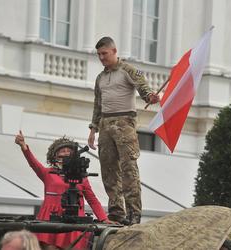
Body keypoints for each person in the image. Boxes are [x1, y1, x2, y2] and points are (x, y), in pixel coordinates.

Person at [88, 37, 159, 225]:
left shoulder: (127, 69)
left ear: (114, 51)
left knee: (129, 169)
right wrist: (93, 129)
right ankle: (116, 212)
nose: (102, 57)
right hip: (105, 123)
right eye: (99, 55)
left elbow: (142, 86)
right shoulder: (100, 78)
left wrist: (149, 96)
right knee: (109, 170)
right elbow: (97, 104)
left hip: (125, 122)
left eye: (104, 53)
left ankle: (134, 213)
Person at [15, 131, 111, 250]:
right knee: (50, 248)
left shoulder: (82, 176)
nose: (66, 153)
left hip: (75, 220)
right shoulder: (48, 173)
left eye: (69, 150)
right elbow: (34, 164)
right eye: (62, 150)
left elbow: (92, 199)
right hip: (51, 218)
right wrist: (24, 147)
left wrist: (104, 219)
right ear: (54, 155)